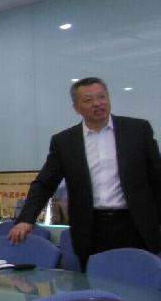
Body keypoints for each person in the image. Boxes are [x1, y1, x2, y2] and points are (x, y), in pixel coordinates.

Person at [9, 78, 161, 269]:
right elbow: (45, 183)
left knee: (140, 279)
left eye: (101, 97)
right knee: (95, 282)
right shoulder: (65, 142)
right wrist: (26, 219)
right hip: (91, 228)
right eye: (88, 100)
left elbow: (157, 177)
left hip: (135, 225)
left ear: (108, 98)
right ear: (76, 108)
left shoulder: (137, 130)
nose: (97, 103)